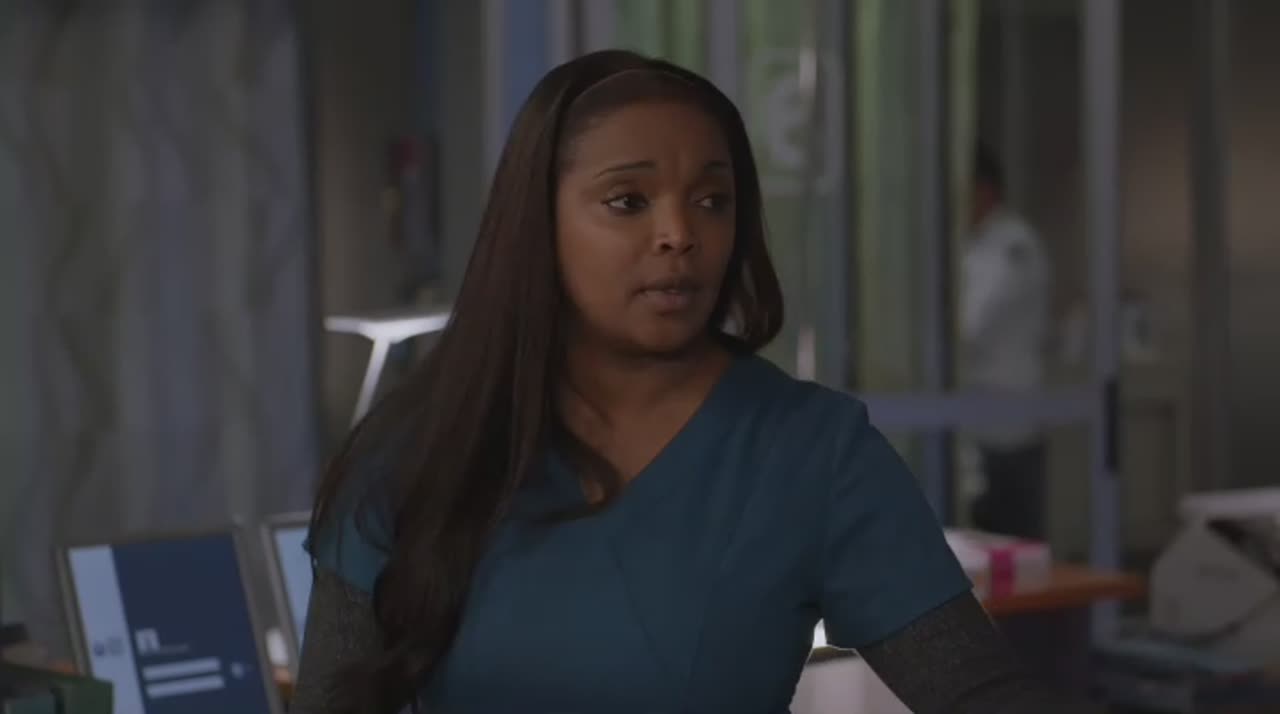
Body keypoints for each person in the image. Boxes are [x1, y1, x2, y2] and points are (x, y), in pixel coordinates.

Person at [291, 51, 1089, 714]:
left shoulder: (811, 452)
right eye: (628, 201)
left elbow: (978, 693)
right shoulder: (414, 450)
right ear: (538, 221)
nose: (680, 234)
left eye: (712, 200)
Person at [961, 143, 1053, 540]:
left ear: (983, 190)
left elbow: (969, 325)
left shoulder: (1012, 247)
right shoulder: (978, 245)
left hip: (1007, 429)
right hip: (979, 425)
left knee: (1015, 545)